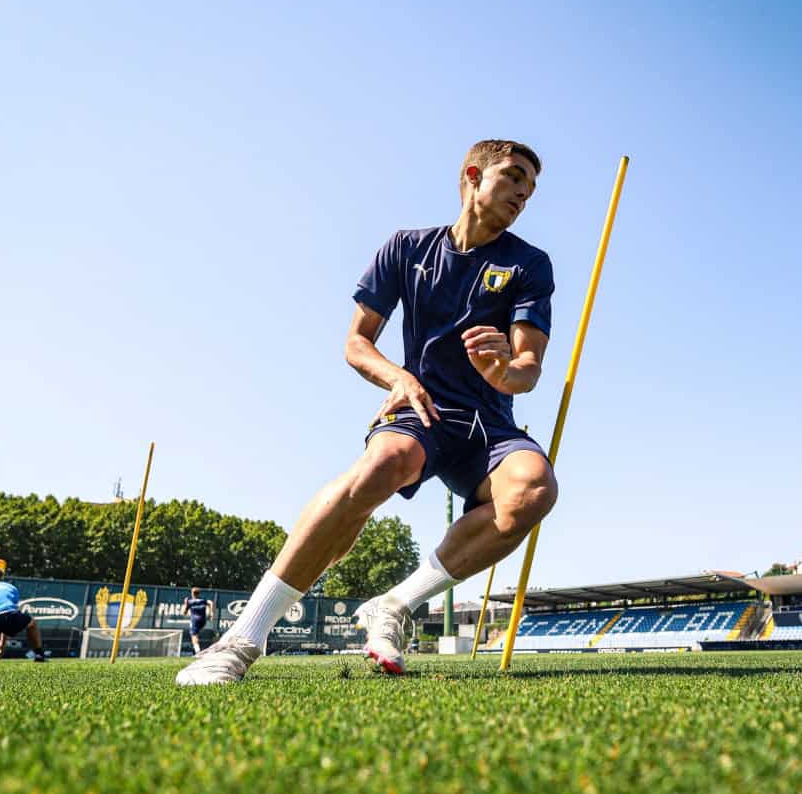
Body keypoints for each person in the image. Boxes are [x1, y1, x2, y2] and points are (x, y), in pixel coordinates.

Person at [178, 139, 555, 686]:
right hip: (420, 405)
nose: (524, 192)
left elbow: (529, 368)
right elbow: (357, 343)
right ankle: (240, 640)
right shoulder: (407, 247)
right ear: (473, 175)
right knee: (384, 465)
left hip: (488, 425)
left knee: (534, 488)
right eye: (514, 176)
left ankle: (394, 605)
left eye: (533, 187)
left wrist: (504, 373)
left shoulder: (529, 263)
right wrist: (398, 377)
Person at [184, 588, 213, 655]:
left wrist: (186, 603)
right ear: (198, 593)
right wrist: (211, 613)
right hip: (203, 620)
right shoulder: (203, 600)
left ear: (192, 593)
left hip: (195, 620)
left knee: (194, 635)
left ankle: (198, 651)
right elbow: (210, 602)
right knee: (196, 634)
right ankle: (198, 649)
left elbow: (184, 612)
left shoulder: (190, 601)